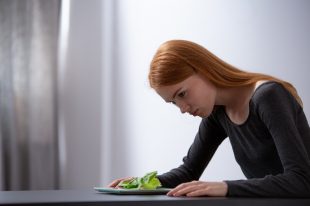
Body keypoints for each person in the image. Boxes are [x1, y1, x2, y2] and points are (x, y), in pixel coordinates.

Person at [109, 40, 310, 197]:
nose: (182, 109)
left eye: (182, 94)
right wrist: (140, 184)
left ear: (203, 69)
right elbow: (188, 172)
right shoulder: (218, 113)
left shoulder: (268, 96)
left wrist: (226, 187)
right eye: (173, 102)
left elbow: (301, 180)